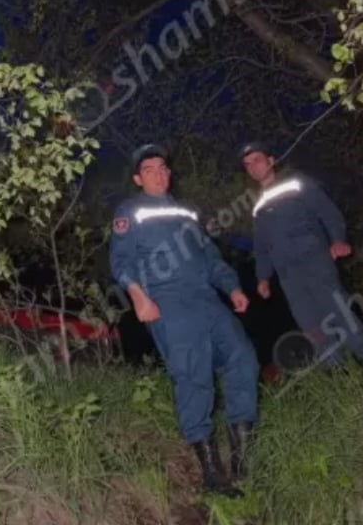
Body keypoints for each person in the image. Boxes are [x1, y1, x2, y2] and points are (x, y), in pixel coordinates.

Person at [109, 144, 259, 497]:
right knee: (193, 375)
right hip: (168, 302)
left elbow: (210, 257)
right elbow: (120, 261)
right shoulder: (130, 211)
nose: (159, 174)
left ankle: (241, 459)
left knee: (243, 359)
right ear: (138, 178)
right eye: (149, 169)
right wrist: (138, 296)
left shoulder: (187, 212)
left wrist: (233, 287)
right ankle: (211, 474)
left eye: (163, 167)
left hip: (208, 299)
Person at [239, 141, 363, 371]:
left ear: (271, 161)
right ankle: (335, 369)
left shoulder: (296, 182)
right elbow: (262, 246)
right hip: (288, 275)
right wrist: (262, 277)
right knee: (310, 322)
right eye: (247, 164)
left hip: (314, 259)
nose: (253, 166)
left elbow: (327, 211)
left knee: (337, 308)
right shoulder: (258, 206)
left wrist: (338, 239)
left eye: (257, 160)